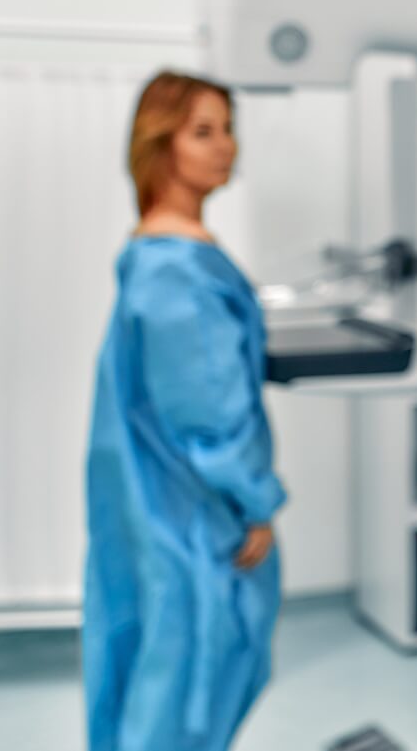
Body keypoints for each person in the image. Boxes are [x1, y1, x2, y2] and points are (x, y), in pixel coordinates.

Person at [83, 71, 285, 751]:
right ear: (158, 143)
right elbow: (209, 415)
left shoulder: (154, 249)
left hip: (157, 502)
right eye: (204, 130)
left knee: (152, 666)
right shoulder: (179, 270)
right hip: (195, 515)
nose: (226, 146)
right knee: (190, 680)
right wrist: (255, 502)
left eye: (228, 128)